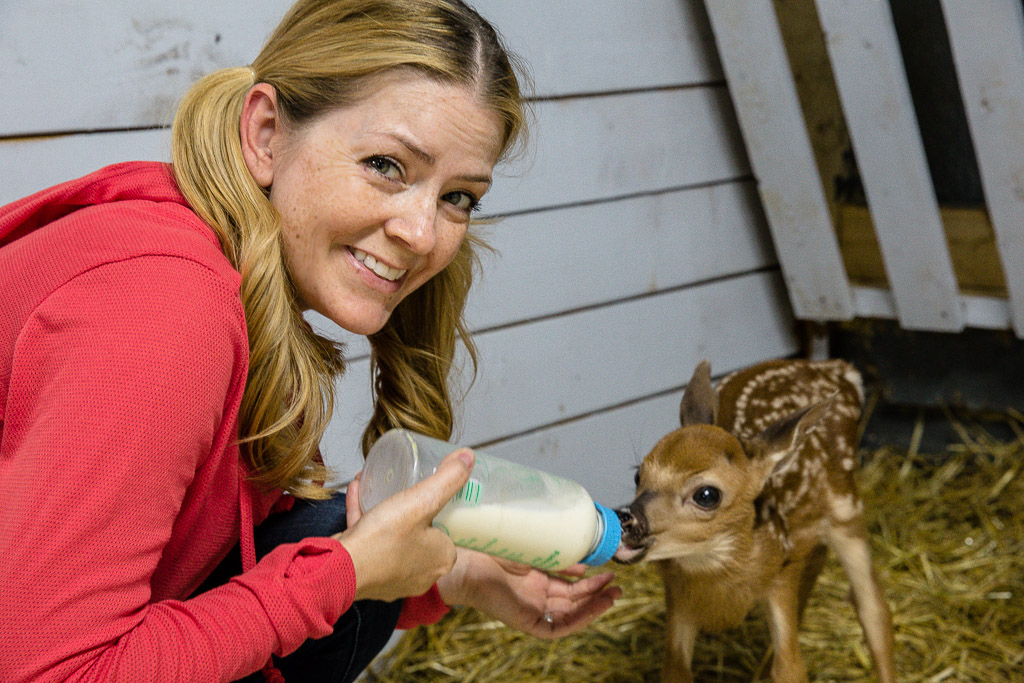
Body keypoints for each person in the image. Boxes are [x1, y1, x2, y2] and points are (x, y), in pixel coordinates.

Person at [0, 1, 622, 681]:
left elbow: (263, 540)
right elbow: (50, 672)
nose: (422, 233)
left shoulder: (237, 268)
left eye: (459, 197)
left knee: (323, 532)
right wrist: (347, 572)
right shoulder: (167, 312)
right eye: (386, 164)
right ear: (266, 134)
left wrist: (452, 569)